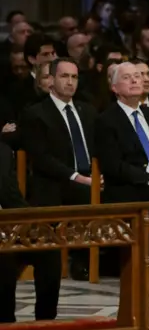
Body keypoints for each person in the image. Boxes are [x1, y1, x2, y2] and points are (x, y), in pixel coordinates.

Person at [95, 62, 149, 293]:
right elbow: (115, 166)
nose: (136, 80)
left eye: (138, 76)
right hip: (127, 186)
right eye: (127, 77)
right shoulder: (106, 120)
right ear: (114, 87)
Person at [20, 57, 99, 280]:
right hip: (57, 180)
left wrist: (98, 175)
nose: (70, 82)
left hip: (91, 177)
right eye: (64, 76)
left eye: (74, 77)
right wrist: (77, 177)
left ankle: (114, 260)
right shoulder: (36, 113)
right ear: (51, 80)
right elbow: (42, 158)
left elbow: (100, 148)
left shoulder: (88, 111)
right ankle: (80, 260)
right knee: (83, 193)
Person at [0, 142, 61, 323]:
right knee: (4, 261)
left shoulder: (3, 151)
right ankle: (5, 325)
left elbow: (11, 195)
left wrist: (30, 223)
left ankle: (45, 323)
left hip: (9, 225)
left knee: (48, 248)